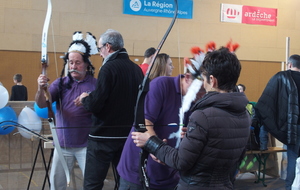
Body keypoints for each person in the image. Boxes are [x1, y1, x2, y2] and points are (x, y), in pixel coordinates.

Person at [132, 47, 251, 190]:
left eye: (204, 78)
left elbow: (180, 162)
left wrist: (151, 143)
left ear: (212, 80)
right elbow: (232, 156)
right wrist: (196, 135)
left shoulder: (203, 116)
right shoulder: (245, 115)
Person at [117, 48, 206, 189]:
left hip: (169, 174)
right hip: (138, 173)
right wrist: (156, 147)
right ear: (188, 77)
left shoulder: (197, 101)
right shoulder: (162, 85)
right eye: (200, 89)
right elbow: (145, 123)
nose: (202, 95)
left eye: (206, 90)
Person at [76, 29, 144, 190]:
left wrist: (85, 98)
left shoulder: (108, 68)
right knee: (125, 181)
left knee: (93, 183)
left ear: (108, 47)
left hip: (102, 137)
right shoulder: (136, 70)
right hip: (127, 136)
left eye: (100, 49)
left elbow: (96, 104)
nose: (100, 54)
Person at [35, 31, 98, 190]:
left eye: (77, 63)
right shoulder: (61, 83)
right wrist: (40, 88)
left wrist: (89, 100)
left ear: (86, 64)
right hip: (62, 144)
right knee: (57, 185)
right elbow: (43, 104)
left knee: (92, 185)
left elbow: (104, 109)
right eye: (70, 62)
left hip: (86, 145)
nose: (73, 66)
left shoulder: (96, 84)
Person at [255, 54, 300, 190]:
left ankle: (290, 187)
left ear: (289, 64)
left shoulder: (281, 77)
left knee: (292, 159)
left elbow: (266, 102)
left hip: (293, 128)